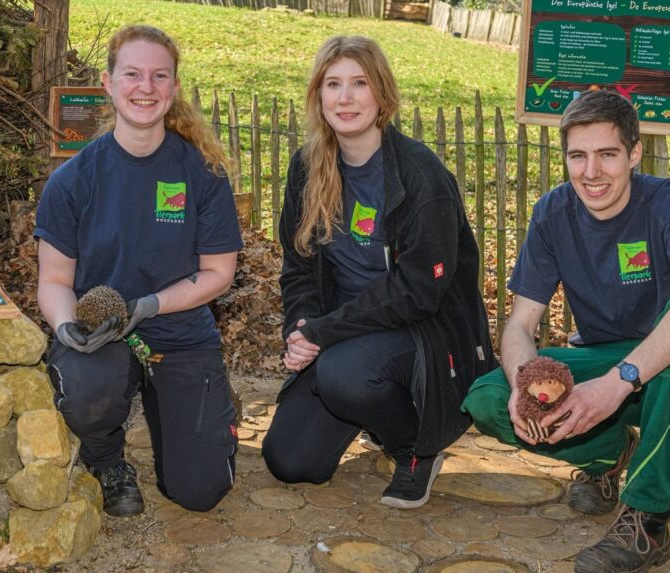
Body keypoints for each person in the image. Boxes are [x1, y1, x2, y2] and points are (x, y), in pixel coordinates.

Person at [462, 90, 670, 573]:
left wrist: (618, 382)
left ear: (634, 154)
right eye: (578, 156)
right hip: (607, 361)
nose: (591, 172)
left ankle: (648, 520)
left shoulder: (668, 202)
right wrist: (521, 384)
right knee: (488, 398)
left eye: (607, 154)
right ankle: (612, 455)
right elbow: (519, 325)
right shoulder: (552, 213)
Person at [262, 36, 496, 509]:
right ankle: (371, 407)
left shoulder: (418, 174)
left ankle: (414, 447)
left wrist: (324, 333)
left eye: (359, 84)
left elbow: (417, 291)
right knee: (292, 463)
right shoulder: (308, 168)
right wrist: (301, 328)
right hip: (345, 332)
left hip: (421, 330)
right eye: (333, 85)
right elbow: (299, 265)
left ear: (382, 95)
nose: (345, 98)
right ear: (319, 97)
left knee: (344, 375)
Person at [34, 25, 242, 517]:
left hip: (180, 329)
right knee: (86, 392)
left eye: (158, 76)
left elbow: (219, 273)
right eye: (132, 74)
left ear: (172, 88)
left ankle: (182, 402)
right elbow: (55, 280)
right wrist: (66, 325)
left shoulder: (202, 172)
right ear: (108, 83)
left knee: (200, 492)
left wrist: (151, 304)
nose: (144, 87)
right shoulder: (72, 180)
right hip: (102, 332)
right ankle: (107, 460)